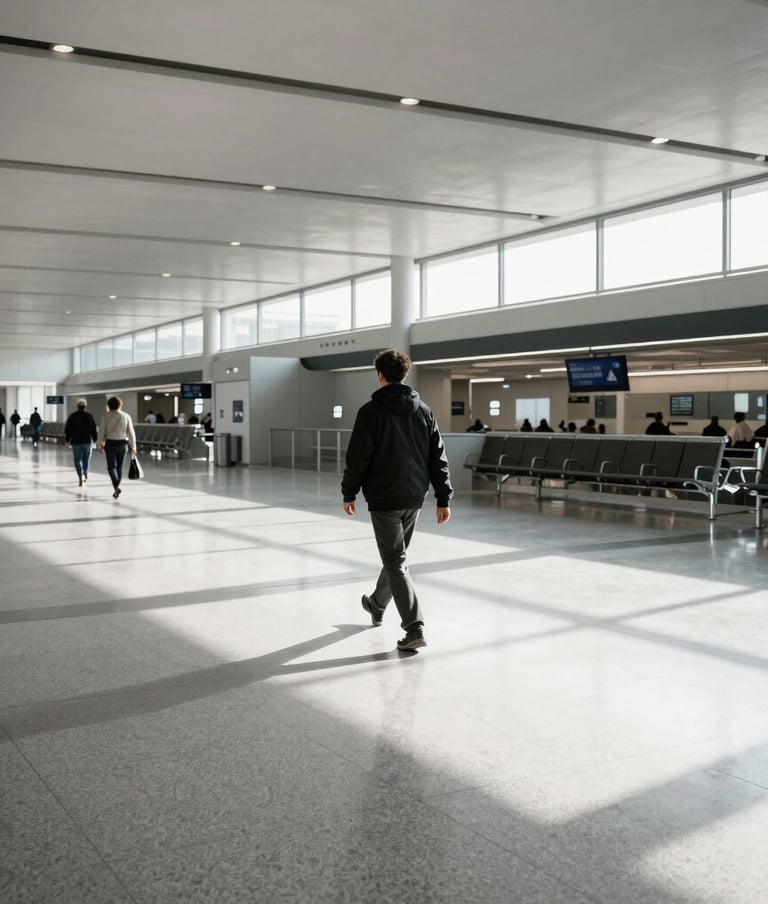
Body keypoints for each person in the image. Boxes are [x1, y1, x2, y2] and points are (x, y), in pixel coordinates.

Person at [341, 349, 453, 652]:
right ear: (405, 374)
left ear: (380, 375)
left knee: (395, 561)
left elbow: (358, 457)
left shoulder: (370, 412)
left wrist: (349, 491)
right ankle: (376, 604)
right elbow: (437, 457)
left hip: (384, 497)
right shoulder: (424, 411)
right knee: (396, 559)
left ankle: (414, 627)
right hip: (415, 496)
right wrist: (443, 497)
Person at [98, 396, 137, 499]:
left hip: (110, 444)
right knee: (119, 467)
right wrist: (133, 446)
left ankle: (116, 486)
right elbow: (131, 433)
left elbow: (102, 431)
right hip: (123, 444)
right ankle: (117, 487)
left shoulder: (105, 416)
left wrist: (100, 444)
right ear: (120, 405)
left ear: (109, 405)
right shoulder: (126, 416)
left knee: (111, 467)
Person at [64, 399, 98, 486]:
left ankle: (80, 475)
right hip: (87, 442)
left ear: (77, 406)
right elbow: (93, 429)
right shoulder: (89, 416)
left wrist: (68, 441)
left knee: (77, 460)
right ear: (85, 406)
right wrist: (95, 439)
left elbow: (67, 430)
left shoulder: (72, 416)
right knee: (86, 459)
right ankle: (85, 475)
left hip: (76, 442)